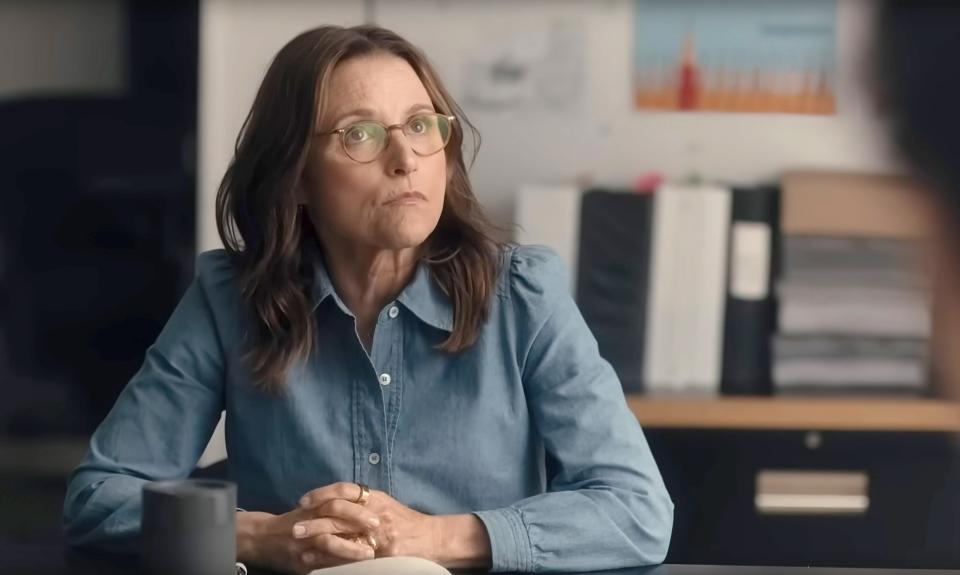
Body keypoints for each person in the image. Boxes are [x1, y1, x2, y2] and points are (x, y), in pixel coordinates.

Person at [62, 24, 674, 574]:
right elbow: (99, 497)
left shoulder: (524, 296)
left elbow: (638, 511)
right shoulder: (231, 300)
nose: (406, 159)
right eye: (361, 134)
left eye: (419, 125)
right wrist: (261, 537)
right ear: (297, 176)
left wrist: (435, 538)